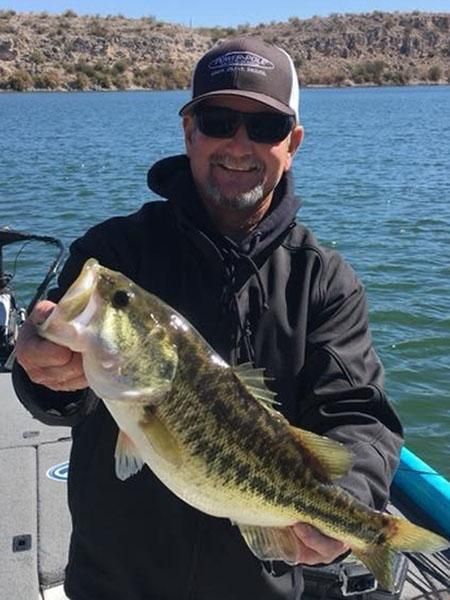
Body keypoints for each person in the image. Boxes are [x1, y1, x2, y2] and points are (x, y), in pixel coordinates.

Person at [13, 37, 403, 600]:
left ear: (292, 144)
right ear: (188, 131)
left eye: (265, 128)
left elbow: (358, 415)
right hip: (115, 581)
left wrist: (353, 498)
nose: (239, 145)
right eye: (219, 120)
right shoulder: (114, 254)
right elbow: (54, 389)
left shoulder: (323, 280)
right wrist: (41, 369)